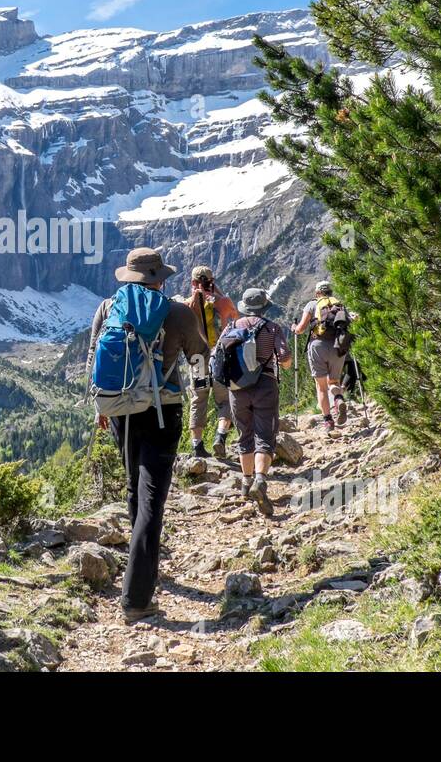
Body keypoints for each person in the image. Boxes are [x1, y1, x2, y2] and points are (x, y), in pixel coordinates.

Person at [86, 247, 208, 623]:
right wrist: (202, 398)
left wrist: (101, 409)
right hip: (162, 411)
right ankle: (137, 597)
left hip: (120, 410)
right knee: (153, 497)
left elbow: (93, 359)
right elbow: (200, 361)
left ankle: (144, 570)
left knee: (132, 487)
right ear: (161, 278)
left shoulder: (108, 307)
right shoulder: (177, 313)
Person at [216, 288, 291, 515]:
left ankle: (246, 483)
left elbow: (216, 355)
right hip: (265, 384)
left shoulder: (231, 327)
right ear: (263, 306)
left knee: (245, 434)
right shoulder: (272, 327)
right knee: (264, 434)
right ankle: (260, 480)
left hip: (237, 388)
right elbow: (285, 359)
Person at [177, 265, 237, 459]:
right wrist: (217, 291)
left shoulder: (186, 305)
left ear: (193, 283)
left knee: (198, 400)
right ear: (212, 282)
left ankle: (197, 446)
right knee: (224, 400)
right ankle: (220, 436)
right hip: (219, 358)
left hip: (197, 359)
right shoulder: (223, 302)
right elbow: (235, 318)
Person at [292, 280, 348, 434]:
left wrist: (294, 329)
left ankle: (328, 421)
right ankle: (338, 399)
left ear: (317, 293)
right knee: (334, 381)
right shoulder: (339, 304)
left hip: (318, 346)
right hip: (338, 346)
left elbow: (301, 329)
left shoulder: (312, 304)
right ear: (330, 291)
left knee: (321, 387)